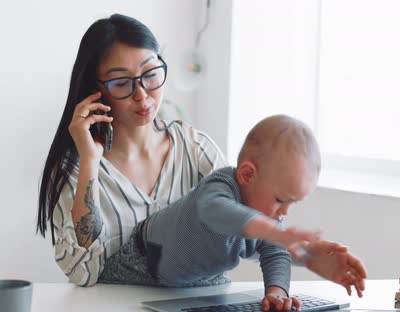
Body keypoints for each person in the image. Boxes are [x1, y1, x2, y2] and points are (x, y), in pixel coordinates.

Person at [35, 13, 366, 311]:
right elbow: (82, 273)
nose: (142, 95)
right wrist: (90, 163)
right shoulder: (78, 170)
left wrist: (306, 258)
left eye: (151, 74)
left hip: (203, 304)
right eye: (122, 83)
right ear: (97, 91)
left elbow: (251, 232)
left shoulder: (195, 148)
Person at [139, 114, 364, 311]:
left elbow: (276, 253)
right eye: (280, 199)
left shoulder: (266, 218)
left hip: (199, 284)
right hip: (141, 262)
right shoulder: (219, 187)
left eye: (292, 203)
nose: (284, 211)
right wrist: (275, 233)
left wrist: (277, 293)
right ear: (247, 175)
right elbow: (216, 212)